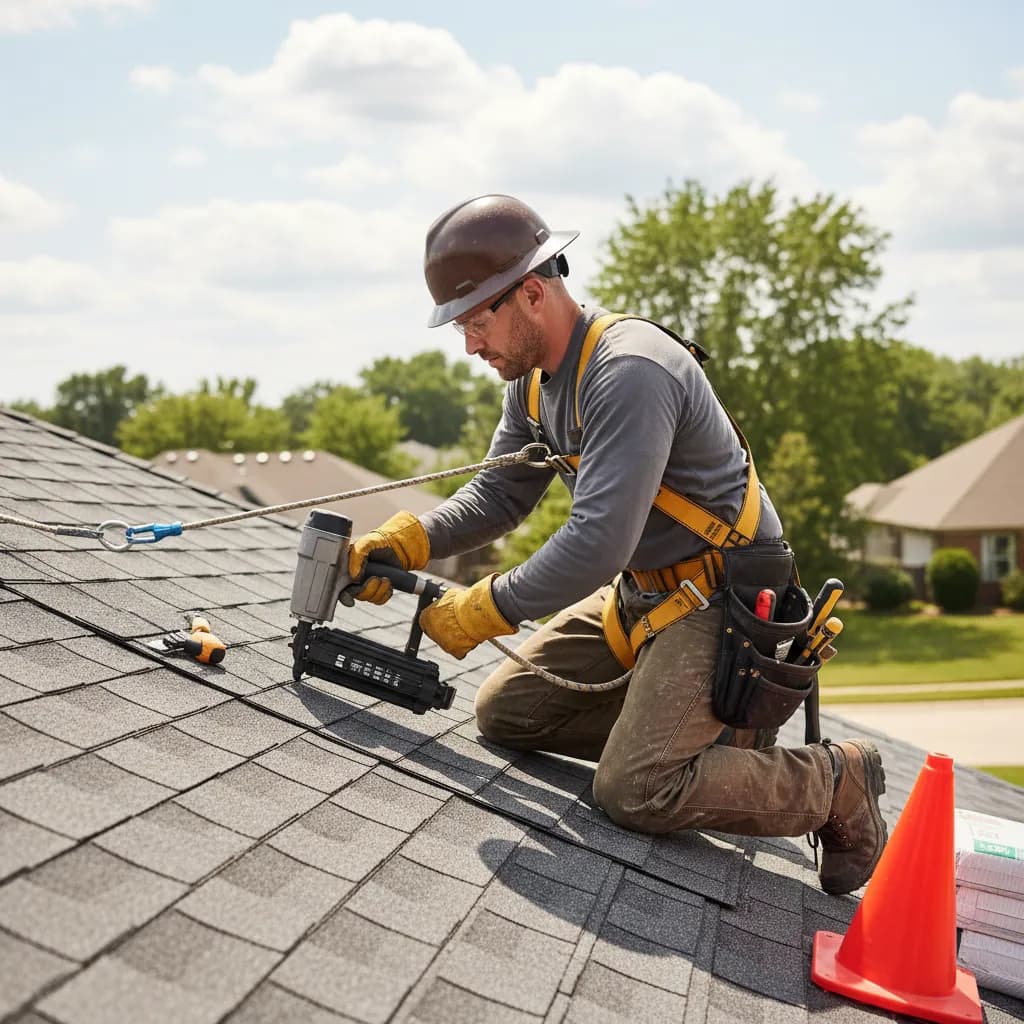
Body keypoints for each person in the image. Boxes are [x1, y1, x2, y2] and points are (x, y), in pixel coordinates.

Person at [347, 194, 887, 896]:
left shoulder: (630, 370)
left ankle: (836, 780)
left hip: (720, 601)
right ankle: (709, 743)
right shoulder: (534, 387)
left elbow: (598, 541)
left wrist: (484, 610)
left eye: (477, 322)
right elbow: (499, 498)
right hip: (644, 595)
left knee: (636, 791)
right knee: (505, 713)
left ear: (531, 294)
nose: (471, 346)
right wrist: (408, 539)